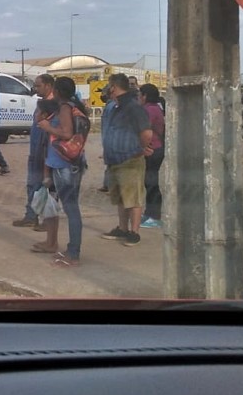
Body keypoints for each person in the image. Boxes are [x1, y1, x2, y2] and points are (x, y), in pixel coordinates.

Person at [33, 77, 87, 265]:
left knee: (71, 209)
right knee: (53, 205)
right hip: (59, 165)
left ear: (56, 90)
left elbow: (67, 133)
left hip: (66, 167)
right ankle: (53, 243)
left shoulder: (65, 108)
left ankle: (73, 252)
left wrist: (49, 127)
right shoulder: (67, 106)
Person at [99, 74, 154, 248]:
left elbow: (147, 132)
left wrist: (140, 149)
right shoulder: (116, 107)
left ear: (114, 87)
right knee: (121, 198)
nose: (108, 90)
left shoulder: (132, 107)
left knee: (133, 198)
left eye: (109, 86)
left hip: (130, 160)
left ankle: (134, 232)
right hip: (115, 160)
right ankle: (122, 229)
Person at [14, 74, 55, 229]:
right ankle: (31, 216)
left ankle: (48, 220)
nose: (35, 88)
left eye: (38, 86)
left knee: (48, 187)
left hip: (47, 153)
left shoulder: (54, 105)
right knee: (32, 185)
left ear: (48, 85)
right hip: (35, 151)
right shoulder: (42, 103)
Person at [139, 83, 165, 228]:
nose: (138, 98)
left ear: (145, 96)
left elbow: (144, 130)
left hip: (152, 149)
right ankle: (149, 213)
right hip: (155, 148)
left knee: (151, 183)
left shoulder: (149, 110)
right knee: (148, 182)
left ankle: (155, 216)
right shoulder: (154, 108)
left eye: (140, 95)